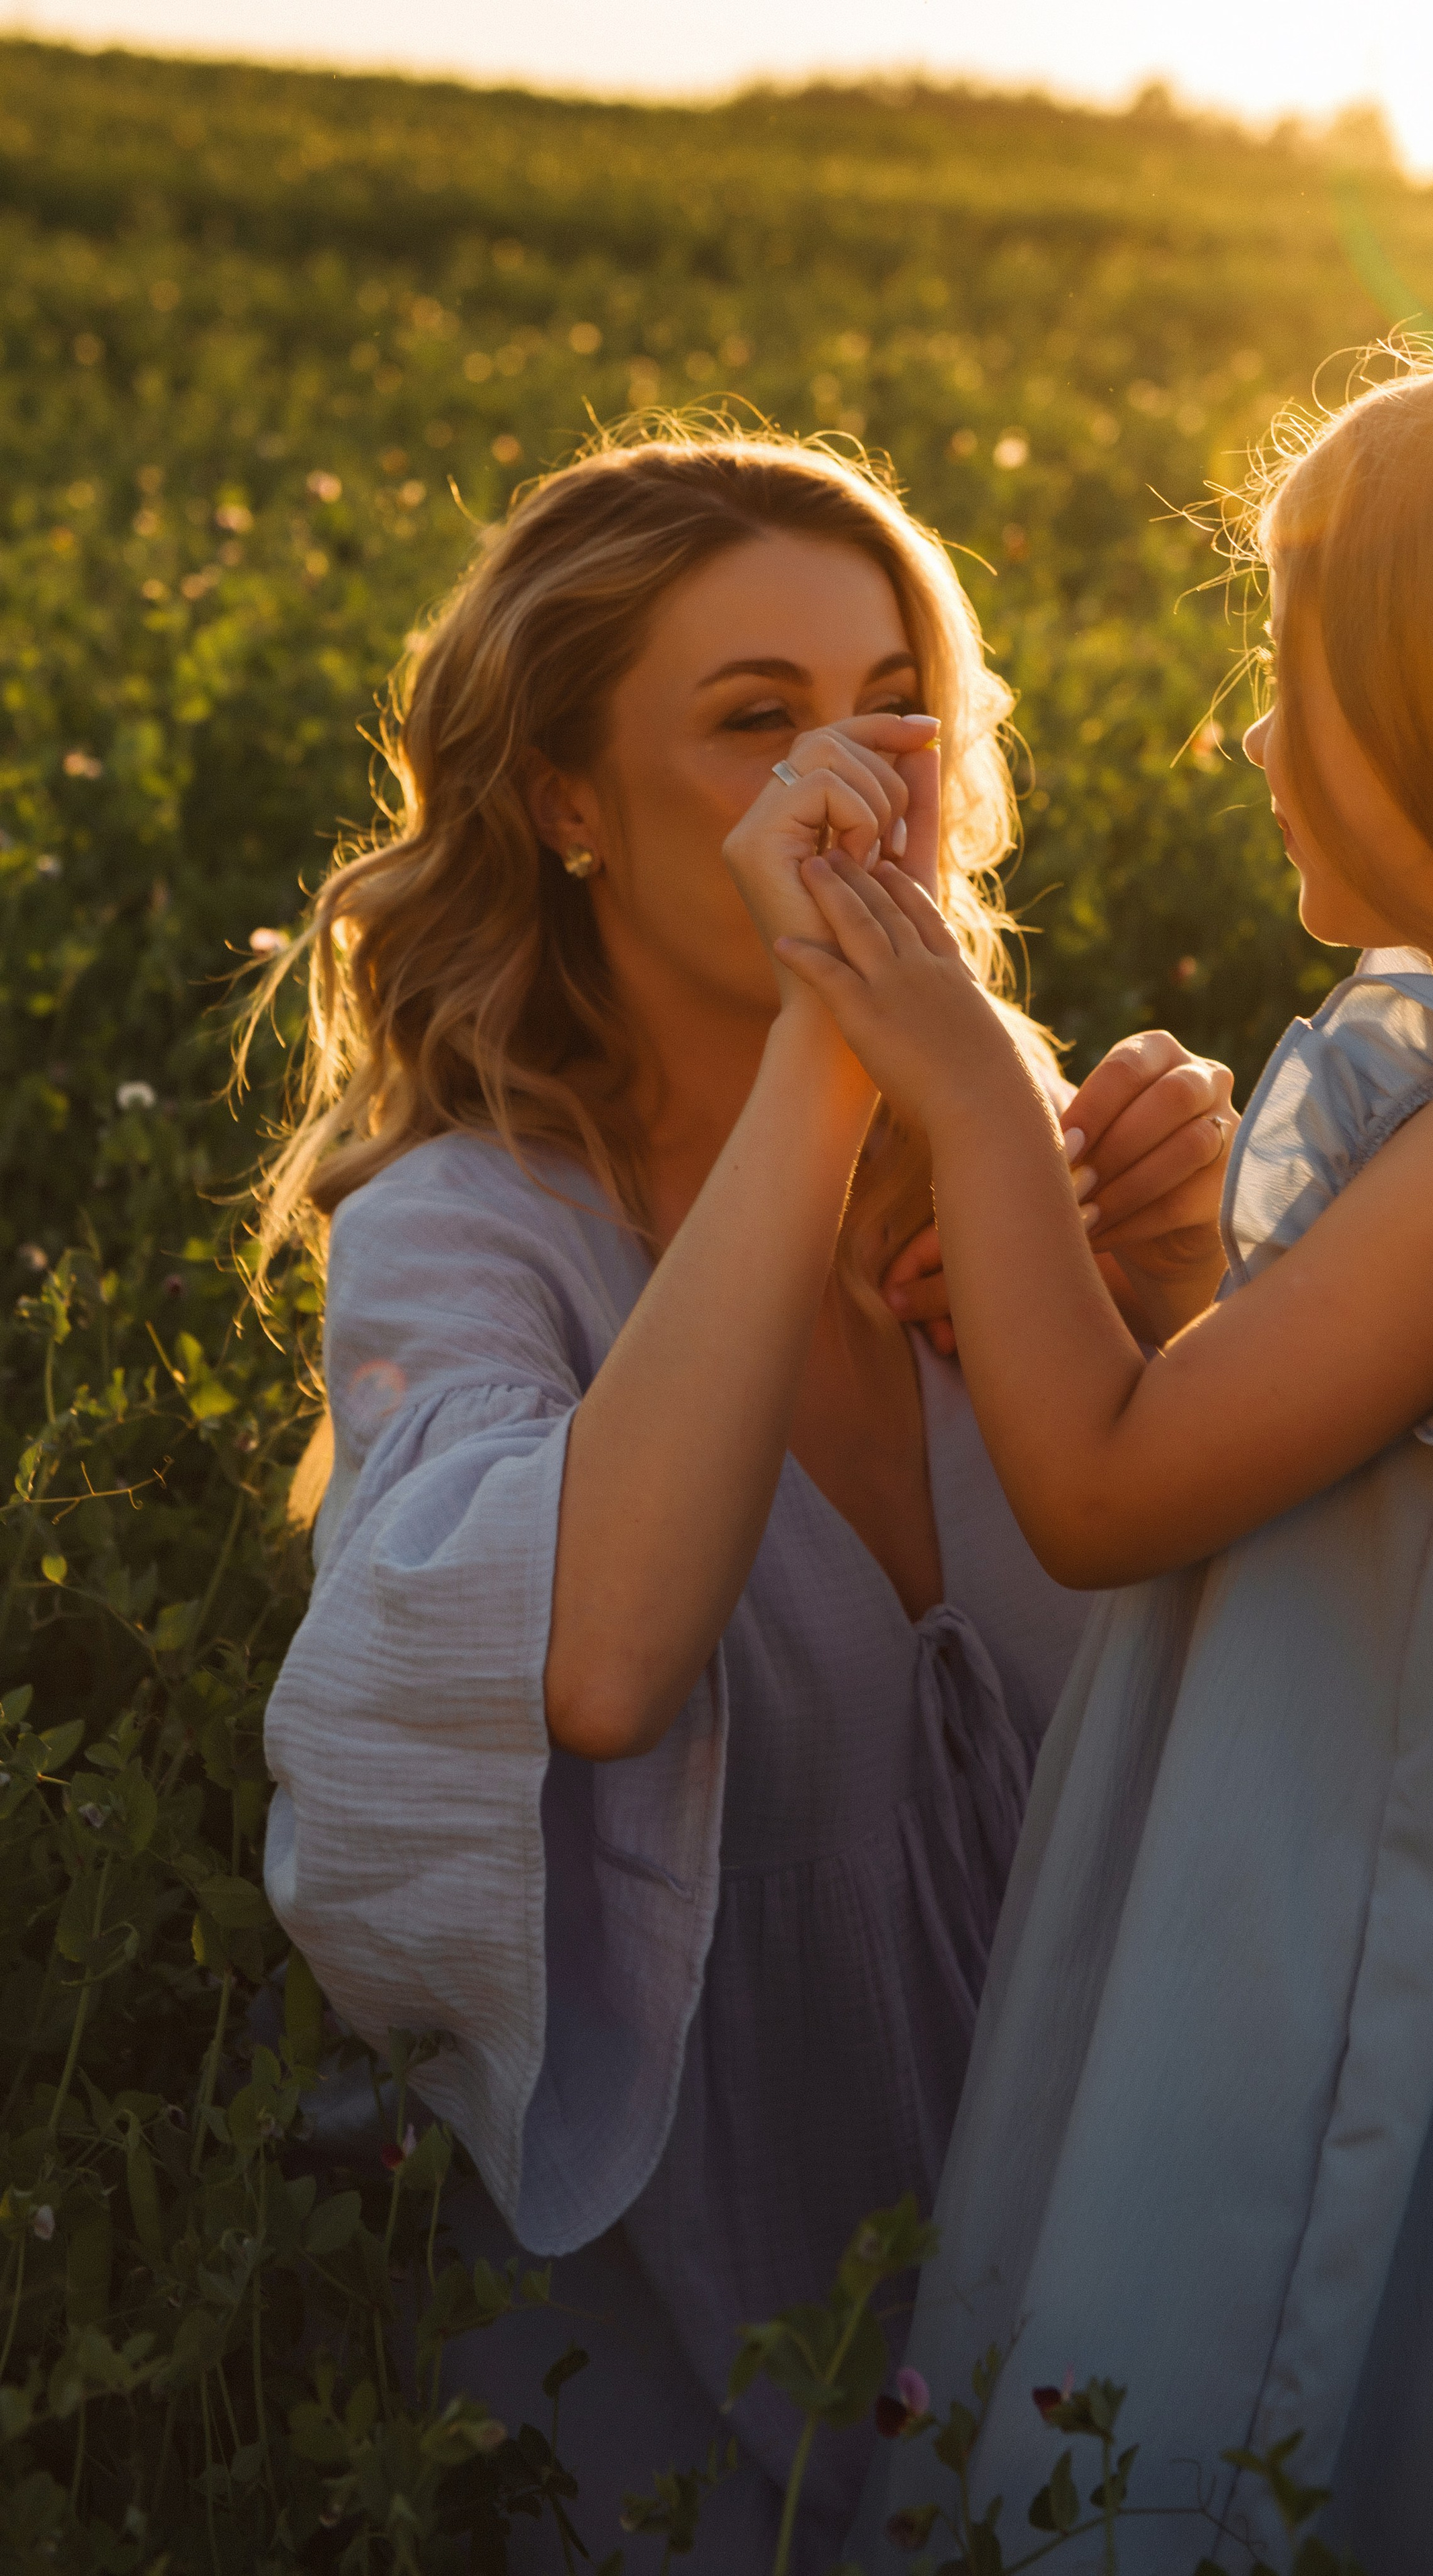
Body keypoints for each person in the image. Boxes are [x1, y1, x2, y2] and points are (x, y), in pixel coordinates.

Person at [769, 337, 1433, 2575]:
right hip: (1431, 1902)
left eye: (1310, 680)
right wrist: (1138, 1285)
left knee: (1240, 2416)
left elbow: (1104, 1491)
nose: (1256, 736)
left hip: (1330, 1949)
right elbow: (1362, 1490)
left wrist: (969, 1094)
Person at [250, 425, 1237, 2567]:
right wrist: (842, 1040)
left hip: (1116, 2223)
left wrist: (1187, 1301)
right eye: (754, 721)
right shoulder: (467, 1229)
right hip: (719, 2320)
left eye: (893, 700)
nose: (854, 775)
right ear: (567, 807)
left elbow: (1262, 1699)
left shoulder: (1002, 1149)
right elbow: (595, 1660)